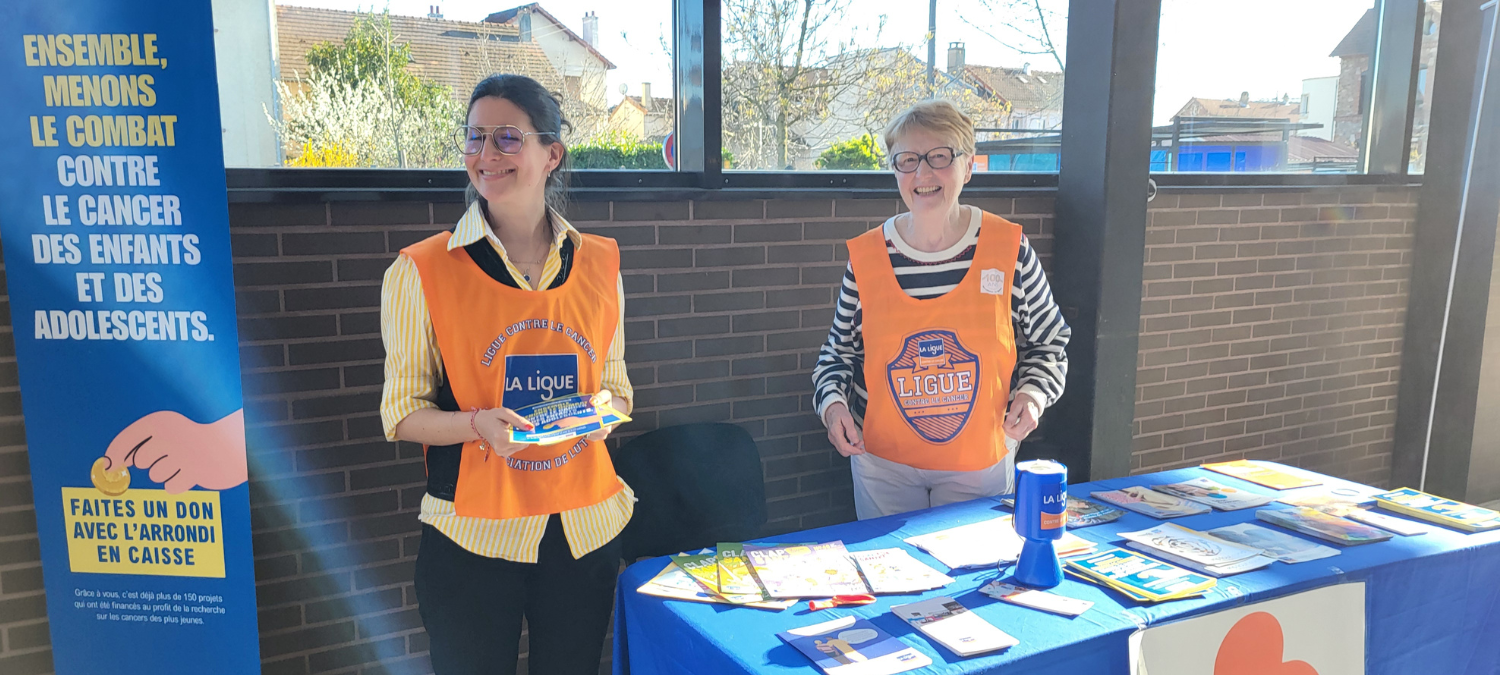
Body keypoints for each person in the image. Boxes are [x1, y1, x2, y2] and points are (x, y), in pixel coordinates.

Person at [380, 74, 633, 675]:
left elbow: (617, 389)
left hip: (584, 531)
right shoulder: (420, 271)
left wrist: (601, 416)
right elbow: (401, 413)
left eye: (506, 139)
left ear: (553, 154)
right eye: (474, 139)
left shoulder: (600, 263)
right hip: (472, 538)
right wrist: (475, 426)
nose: (486, 155)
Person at [811, 100, 1070, 520]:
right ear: (894, 170)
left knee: (970, 576)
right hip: (884, 465)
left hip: (979, 463)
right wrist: (833, 406)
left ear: (968, 166)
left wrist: (1033, 395)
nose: (923, 173)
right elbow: (837, 354)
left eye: (940, 157)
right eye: (908, 160)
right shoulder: (867, 257)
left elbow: (1049, 343)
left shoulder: (1009, 250)